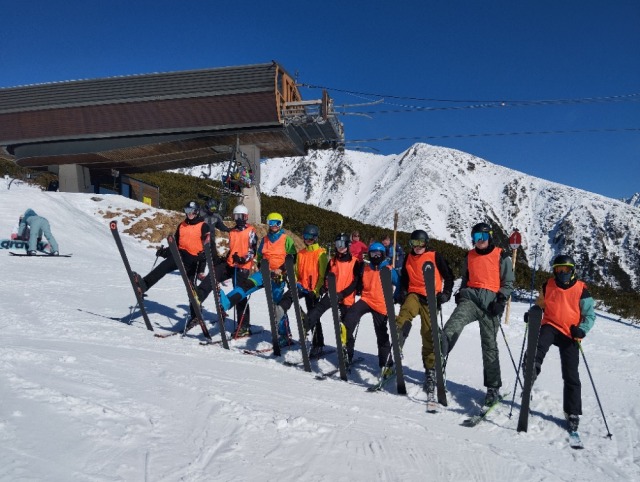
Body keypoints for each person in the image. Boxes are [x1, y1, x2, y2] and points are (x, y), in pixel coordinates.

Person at [441, 222, 514, 406]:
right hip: (471, 299)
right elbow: (466, 278)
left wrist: (500, 301)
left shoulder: (501, 256)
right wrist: (461, 292)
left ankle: (492, 388)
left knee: (489, 345)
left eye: (483, 237)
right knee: (452, 326)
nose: (480, 241)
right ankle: (438, 361)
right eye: (476, 238)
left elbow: (508, 283)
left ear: (490, 237)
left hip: (491, 304)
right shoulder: (470, 256)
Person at [527, 254, 596, 433]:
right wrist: (533, 313)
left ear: (572, 271)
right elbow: (540, 304)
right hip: (550, 325)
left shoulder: (581, 290)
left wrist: (582, 329)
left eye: (566, 270)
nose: (562, 273)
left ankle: (572, 412)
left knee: (571, 372)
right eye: (559, 269)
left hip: (570, 332)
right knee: (537, 347)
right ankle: (531, 370)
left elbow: (590, 315)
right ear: (554, 271)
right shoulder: (548, 285)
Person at [217, 212, 298, 345]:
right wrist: (260, 266)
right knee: (246, 285)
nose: (274, 225)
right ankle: (226, 302)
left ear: (281, 224)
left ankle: (284, 334)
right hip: (264, 273)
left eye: (277, 223)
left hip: (278, 276)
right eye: (271, 223)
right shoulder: (265, 239)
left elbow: (292, 257)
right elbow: (259, 256)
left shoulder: (286, 239)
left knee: (277, 305)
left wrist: (281, 269)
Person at [395, 229, 454, 401]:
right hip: (414, 294)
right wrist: (403, 292)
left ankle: (430, 370)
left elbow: (449, 276)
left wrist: (446, 293)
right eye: (414, 243)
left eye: (421, 243)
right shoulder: (408, 257)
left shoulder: (435, 256)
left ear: (426, 243)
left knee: (429, 333)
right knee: (404, 315)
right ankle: (397, 343)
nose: (417, 246)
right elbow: (404, 279)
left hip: (431, 297)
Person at [193, 204, 258, 336]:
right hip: (230, 264)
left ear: (246, 217)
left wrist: (243, 259)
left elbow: (252, 251)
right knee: (213, 275)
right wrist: (226, 258)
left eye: (241, 216)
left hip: (242, 267)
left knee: (239, 294)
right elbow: (233, 248)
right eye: (236, 216)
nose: (238, 219)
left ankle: (244, 325)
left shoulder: (251, 231)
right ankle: (199, 295)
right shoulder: (232, 231)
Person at [343, 242, 399, 375]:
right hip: (367, 300)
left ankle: (386, 365)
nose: (375, 256)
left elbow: (399, 283)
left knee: (381, 334)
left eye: (378, 254)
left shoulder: (389, 270)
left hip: (381, 304)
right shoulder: (366, 268)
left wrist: (395, 297)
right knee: (351, 314)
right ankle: (345, 340)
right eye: (373, 254)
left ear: (383, 255)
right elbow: (360, 282)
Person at [305, 233, 363, 357]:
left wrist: (342, 294)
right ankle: (306, 325)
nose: (340, 247)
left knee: (346, 326)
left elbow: (355, 283)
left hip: (346, 297)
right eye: (337, 244)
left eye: (342, 244)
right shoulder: (332, 261)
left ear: (347, 245)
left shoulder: (354, 262)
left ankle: (348, 353)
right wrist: (324, 287)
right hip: (332, 294)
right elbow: (327, 277)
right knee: (317, 309)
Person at [135, 201, 210, 295]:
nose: (190, 213)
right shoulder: (182, 225)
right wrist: (164, 252)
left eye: (192, 211)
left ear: (197, 211)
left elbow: (208, 247)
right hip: (180, 256)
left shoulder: (203, 226)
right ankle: (144, 285)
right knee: (163, 267)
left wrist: (202, 267)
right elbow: (175, 245)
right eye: (187, 210)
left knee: (190, 286)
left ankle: (196, 301)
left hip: (194, 260)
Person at [280, 224, 329, 356]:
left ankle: (318, 344)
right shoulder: (301, 253)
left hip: (313, 290)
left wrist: (317, 290)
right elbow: (296, 272)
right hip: (302, 286)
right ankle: (281, 309)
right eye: (306, 237)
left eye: (311, 237)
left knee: (313, 316)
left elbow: (322, 275)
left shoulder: (321, 253)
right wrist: (296, 283)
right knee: (289, 295)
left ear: (316, 238)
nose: (308, 240)